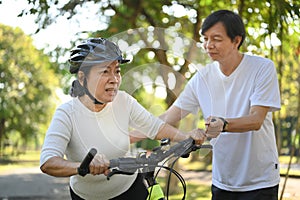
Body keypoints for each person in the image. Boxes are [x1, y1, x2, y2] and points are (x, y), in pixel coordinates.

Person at [39, 38, 207, 200]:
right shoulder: (67, 114)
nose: (114, 79)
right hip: (87, 196)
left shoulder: (123, 101)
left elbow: (155, 127)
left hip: (130, 189)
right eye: (105, 71)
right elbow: (48, 162)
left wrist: (185, 137)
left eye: (117, 71)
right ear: (83, 78)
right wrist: (83, 166)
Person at [159, 10, 281, 200]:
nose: (209, 45)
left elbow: (256, 120)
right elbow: (169, 116)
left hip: (259, 181)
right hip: (222, 181)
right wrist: (132, 132)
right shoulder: (202, 78)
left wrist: (223, 124)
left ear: (236, 40)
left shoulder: (262, 68)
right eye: (205, 39)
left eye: (216, 39)